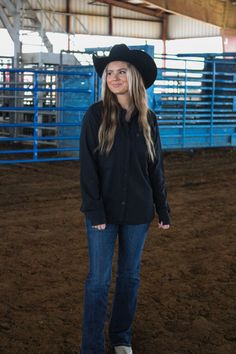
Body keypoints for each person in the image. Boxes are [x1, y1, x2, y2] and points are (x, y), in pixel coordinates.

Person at [79, 44, 171, 354]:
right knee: (98, 281)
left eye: (121, 72)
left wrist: (163, 209)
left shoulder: (149, 120)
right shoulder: (95, 115)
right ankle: (92, 347)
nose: (114, 77)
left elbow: (155, 167)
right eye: (109, 72)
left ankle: (121, 338)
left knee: (130, 278)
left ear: (133, 77)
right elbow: (88, 168)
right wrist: (95, 210)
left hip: (138, 210)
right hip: (102, 212)